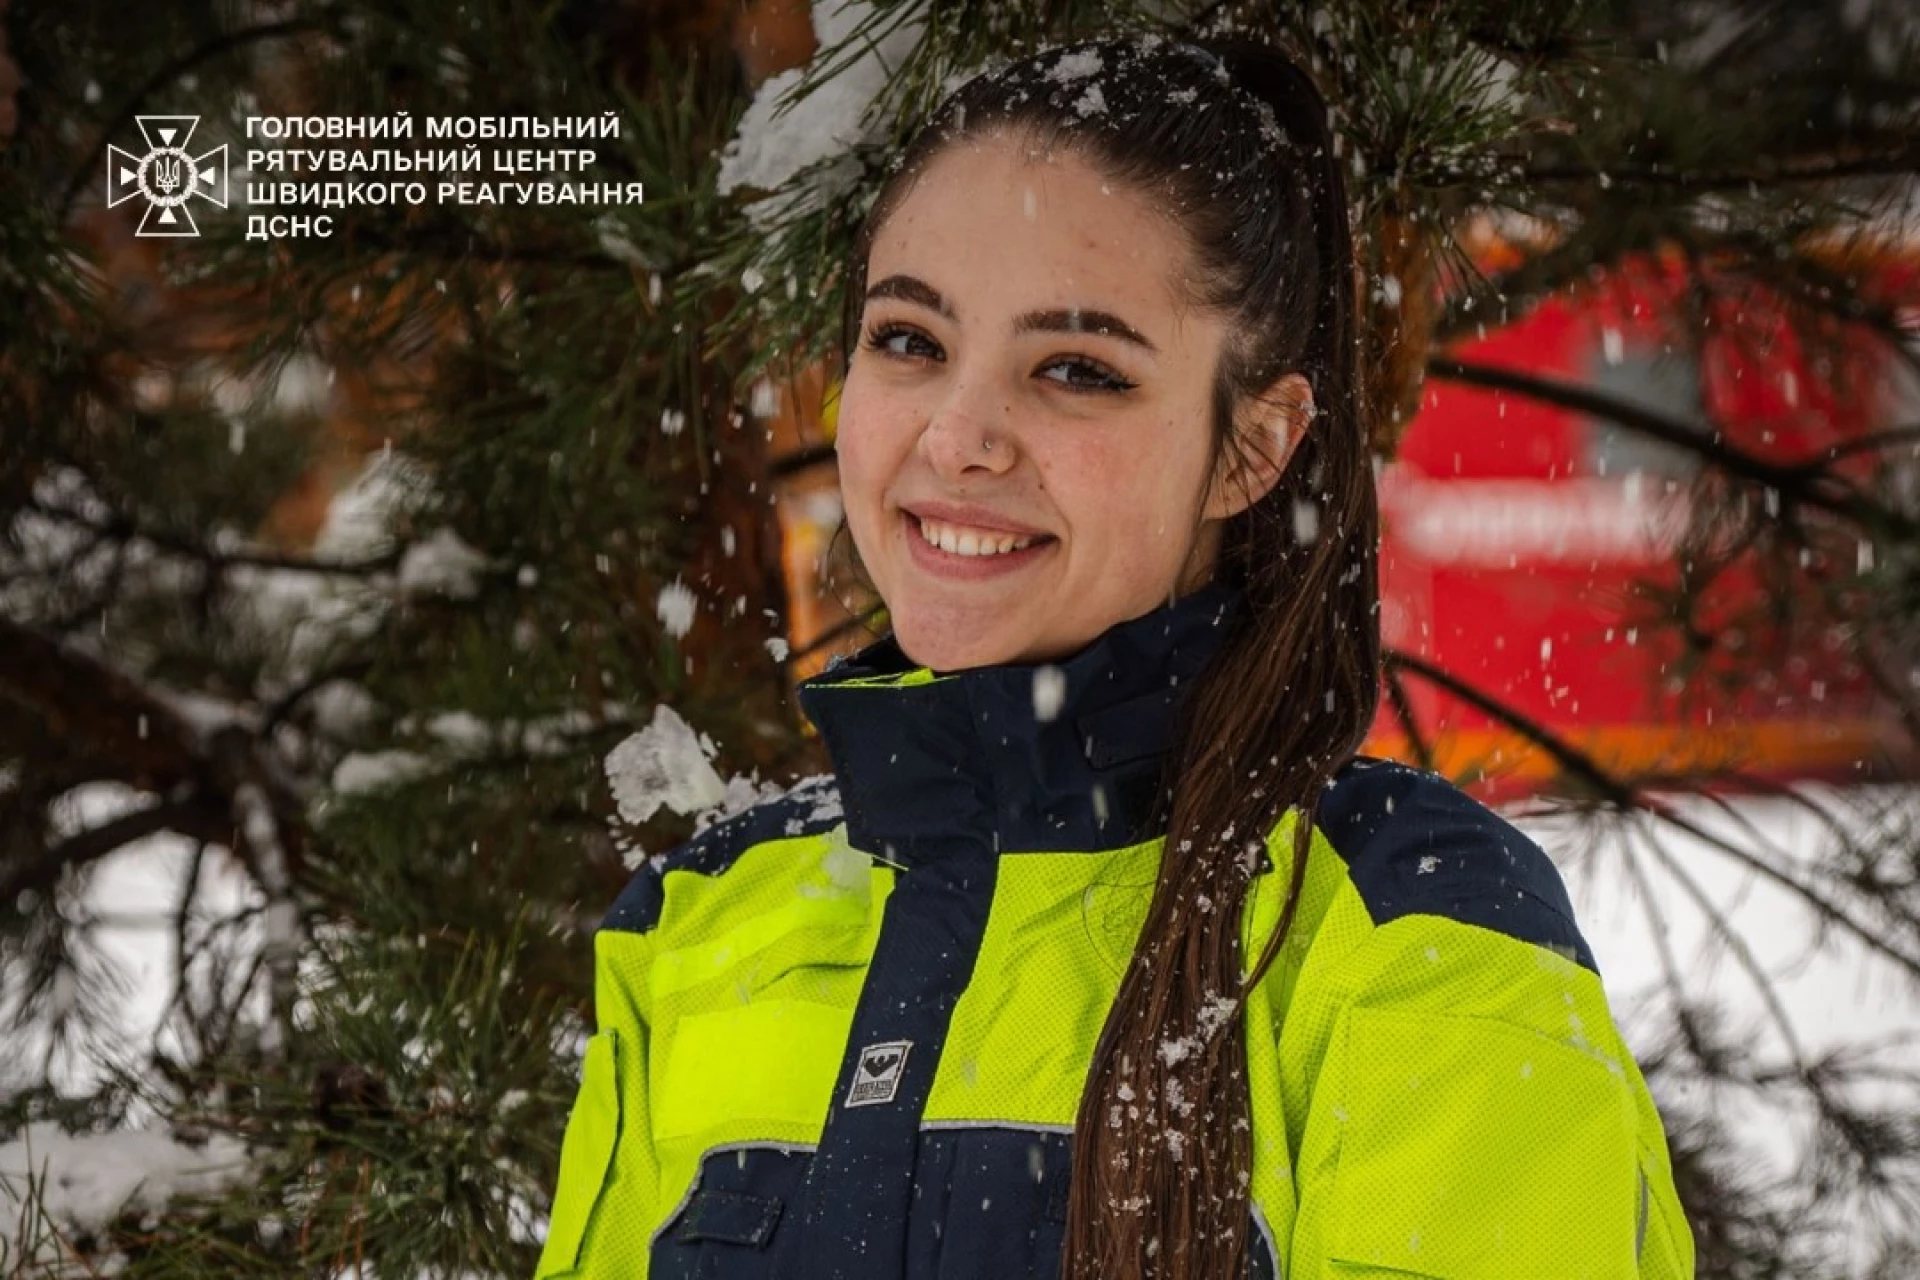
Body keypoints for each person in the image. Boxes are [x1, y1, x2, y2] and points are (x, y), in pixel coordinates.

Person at [534, 32, 1696, 1280]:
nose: (959, 435)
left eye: (1076, 369)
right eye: (911, 341)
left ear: (1253, 448)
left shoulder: (1416, 925)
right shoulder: (702, 918)